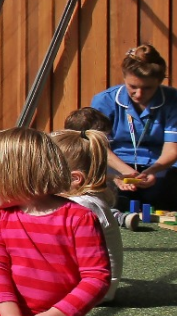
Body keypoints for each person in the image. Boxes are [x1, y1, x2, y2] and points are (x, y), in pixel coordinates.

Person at [0, 128, 110, 316]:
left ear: (16, 175)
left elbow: (96, 277)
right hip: (1, 310)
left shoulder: (80, 218)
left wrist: (59, 314)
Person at [89, 45, 177, 212]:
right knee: (109, 194)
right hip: (117, 163)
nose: (138, 94)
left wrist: (153, 171)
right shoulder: (104, 100)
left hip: (160, 166)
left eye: (147, 88)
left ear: (160, 82)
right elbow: (98, 146)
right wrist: (122, 174)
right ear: (124, 78)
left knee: (159, 196)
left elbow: (172, 150)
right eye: (132, 87)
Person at [51, 129, 123, 303]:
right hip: (89, 284)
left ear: (75, 179)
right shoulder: (83, 199)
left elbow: (52, 246)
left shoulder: (82, 205)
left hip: (91, 289)